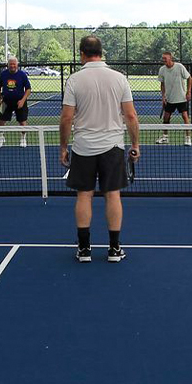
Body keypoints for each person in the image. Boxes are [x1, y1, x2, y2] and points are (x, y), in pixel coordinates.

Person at [59, 36, 140, 263]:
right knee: (112, 195)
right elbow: (131, 116)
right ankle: (114, 250)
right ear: (101, 52)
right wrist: (135, 145)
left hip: (83, 147)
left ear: (82, 54)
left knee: (84, 195)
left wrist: (63, 148)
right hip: (113, 147)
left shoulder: (74, 80)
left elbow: (66, 118)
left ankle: (84, 250)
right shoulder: (119, 78)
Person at [155, 51, 192, 146]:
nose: (163, 60)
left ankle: (188, 138)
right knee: (166, 118)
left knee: (185, 117)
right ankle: (165, 137)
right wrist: (163, 96)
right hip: (169, 99)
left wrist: (188, 92)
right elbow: (162, 84)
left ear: (170, 58)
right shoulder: (162, 69)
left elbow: (189, 78)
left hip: (181, 98)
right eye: (163, 58)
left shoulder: (179, 67)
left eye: (165, 58)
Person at [0, 57, 32, 147]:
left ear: (17, 65)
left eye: (14, 64)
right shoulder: (3, 74)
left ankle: (23, 138)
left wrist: (22, 101)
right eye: (10, 64)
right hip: (5, 102)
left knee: (22, 122)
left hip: (20, 102)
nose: (12, 66)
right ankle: (1, 137)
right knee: (1, 121)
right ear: (8, 65)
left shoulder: (22, 75)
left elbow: (28, 89)